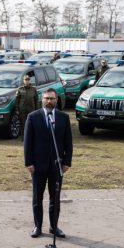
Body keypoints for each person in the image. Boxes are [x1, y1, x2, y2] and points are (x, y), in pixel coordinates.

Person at [24, 88, 73, 239]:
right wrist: (29, 163)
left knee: (55, 197)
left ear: (56, 99)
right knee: (37, 197)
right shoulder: (33, 117)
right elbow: (28, 142)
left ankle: (54, 226)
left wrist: (67, 162)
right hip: (38, 165)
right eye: (46, 98)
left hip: (56, 165)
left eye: (51, 99)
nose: (49, 101)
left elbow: (68, 142)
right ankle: (37, 226)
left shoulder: (63, 117)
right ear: (42, 99)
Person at [15, 75, 39, 140]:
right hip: (22, 109)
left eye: (28, 79)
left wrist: (37, 110)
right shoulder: (20, 89)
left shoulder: (33, 89)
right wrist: (17, 109)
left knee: (31, 123)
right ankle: (24, 137)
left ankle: (31, 136)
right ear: (23, 81)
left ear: (29, 80)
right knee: (23, 123)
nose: (27, 81)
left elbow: (36, 100)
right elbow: (17, 100)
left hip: (31, 109)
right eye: (25, 80)